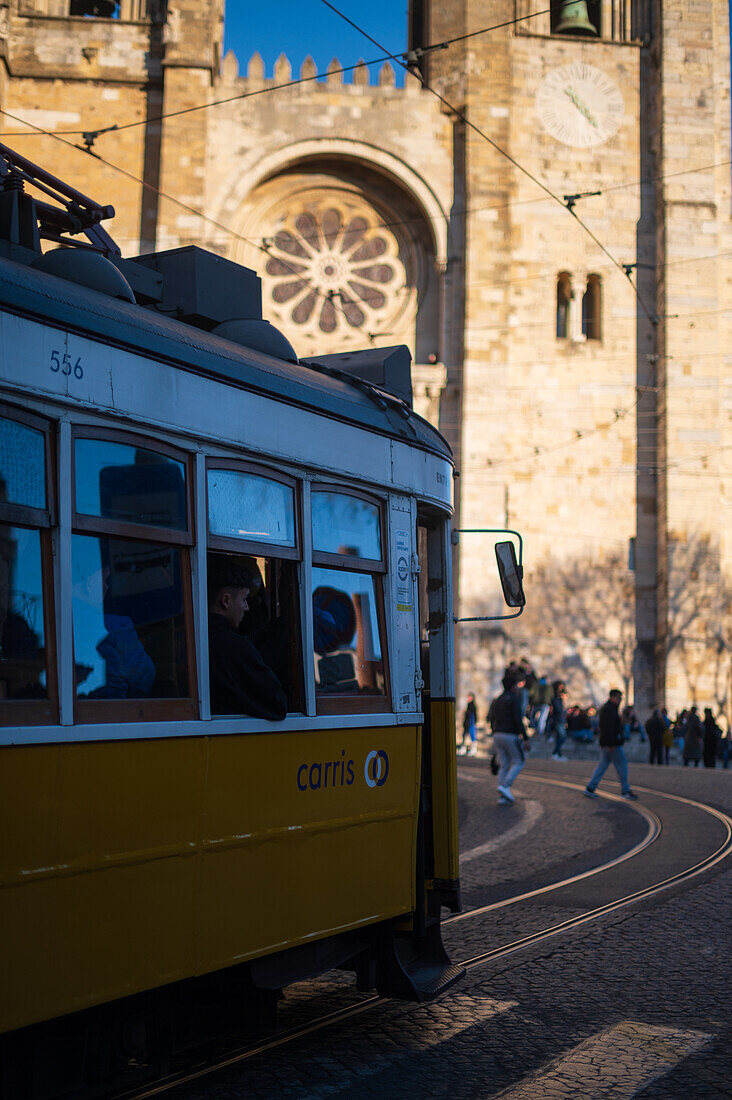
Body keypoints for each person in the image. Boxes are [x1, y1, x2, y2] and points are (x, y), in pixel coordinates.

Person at [208, 557, 288, 720]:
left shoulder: (192, 639)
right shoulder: (234, 647)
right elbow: (277, 704)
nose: (247, 607)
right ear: (226, 600)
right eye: (244, 599)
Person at [584, 688, 637, 800]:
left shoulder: (609, 708)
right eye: (618, 698)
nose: (620, 700)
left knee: (603, 764)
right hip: (612, 743)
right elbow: (608, 728)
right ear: (612, 697)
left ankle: (590, 787)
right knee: (621, 765)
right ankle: (625, 790)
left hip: (608, 743)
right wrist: (610, 744)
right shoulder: (609, 709)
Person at [488, 669, 529, 804]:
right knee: (519, 761)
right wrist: (525, 737)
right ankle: (505, 786)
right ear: (513, 685)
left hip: (497, 734)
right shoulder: (514, 698)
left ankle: (503, 797)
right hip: (510, 734)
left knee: (504, 764)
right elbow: (518, 719)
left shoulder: (498, 699)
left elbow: (492, 717)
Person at [550, 680, 568, 760]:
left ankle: (558, 754)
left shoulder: (558, 699)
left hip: (560, 720)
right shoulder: (556, 699)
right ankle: (555, 753)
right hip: (558, 720)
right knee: (562, 737)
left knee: (559, 737)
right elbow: (559, 711)